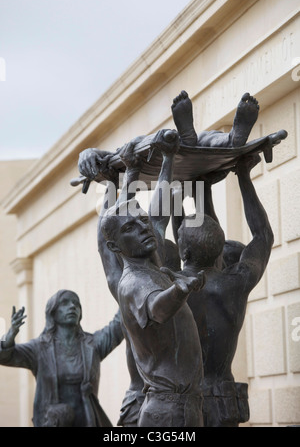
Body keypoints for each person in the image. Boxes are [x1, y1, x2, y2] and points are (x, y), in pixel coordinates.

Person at [98, 130, 206, 428]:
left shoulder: (150, 265)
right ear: (115, 246)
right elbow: (157, 308)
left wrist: (168, 159)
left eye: (142, 221)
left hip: (180, 408)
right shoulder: (133, 281)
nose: (144, 228)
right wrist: (179, 290)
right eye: (131, 228)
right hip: (169, 413)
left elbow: (158, 211)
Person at [172, 153, 274, 426]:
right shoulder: (235, 284)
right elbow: (263, 235)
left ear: (184, 251)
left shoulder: (170, 284)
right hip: (222, 398)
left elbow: (172, 238)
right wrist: (243, 175)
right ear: (221, 250)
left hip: (182, 401)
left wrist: (175, 188)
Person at [0, 290, 124, 427]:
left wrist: (126, 290)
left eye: (76, 304)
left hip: (87, 420)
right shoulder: (40, 348)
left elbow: (119, 326)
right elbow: (5, 356)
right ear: (52, 312)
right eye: (65, 303)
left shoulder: (93, 345)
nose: (72, 306)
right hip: (53, 422)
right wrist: (10, 335)